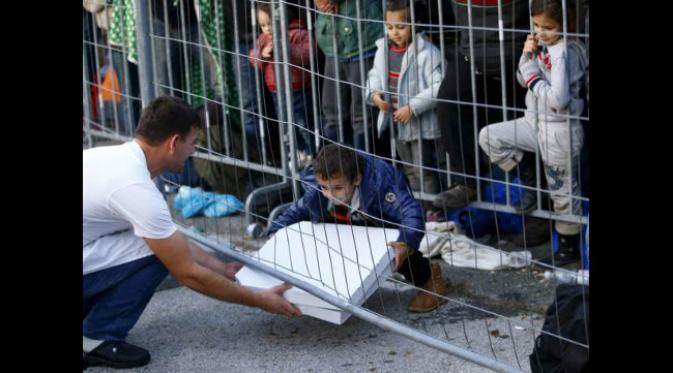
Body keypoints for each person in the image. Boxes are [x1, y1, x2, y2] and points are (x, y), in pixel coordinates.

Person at [83, 96, 301, 369]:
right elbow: (187, 272)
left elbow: (168, 235)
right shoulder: (134, 187)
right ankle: (97, 337)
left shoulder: (114, 159)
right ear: (174, 143)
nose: (194, 151)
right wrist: (260, 299)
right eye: (193, 143)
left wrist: (219, 267)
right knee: (156, 253)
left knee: (154, 243)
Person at [268, 144, 450, 313]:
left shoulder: (381, 184)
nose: (330, 195)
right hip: (344, 219)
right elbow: (297, 210)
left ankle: (430, 278)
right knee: (321, 236)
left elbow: (410, 211)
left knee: (396, 251)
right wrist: (275, 233)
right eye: (324, 187)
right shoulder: (318, 190)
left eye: (337, 188)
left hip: (378, 222)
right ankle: (338, 285)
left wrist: (405, 242)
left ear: (356, 179)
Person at [478, 0, 587, 266]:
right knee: (489, 136)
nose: (540, 32)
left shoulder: (564, 52)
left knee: (562, 193)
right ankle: (530, 180)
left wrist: (532, 76)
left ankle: (568, 247)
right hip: (533, 122)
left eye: (548, 27)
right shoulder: (543, 45)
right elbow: (522, 79)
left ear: (564, 24)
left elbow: (558, 99)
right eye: (536, 25)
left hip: (559, 131)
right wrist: (527, 57)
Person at [433, 0, 530, 210]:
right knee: (449, 102)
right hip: (472, 53)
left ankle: (537, 192)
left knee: (527, 123)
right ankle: (467, 181)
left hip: (521, 54)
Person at [365, 0, 445, 194]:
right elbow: (374, 75)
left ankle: (432, 209)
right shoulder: (383, 49)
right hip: (395, 121)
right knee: (408, 168)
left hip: (419, 124)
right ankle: (419, 208)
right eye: (390, 27)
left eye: (401, 27)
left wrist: (412, 107)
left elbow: (439, 86)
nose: (395, 32)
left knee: (424, 169)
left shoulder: (428, 52)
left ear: (415, 24)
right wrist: (375, 95)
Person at [249, 2, 315, 168]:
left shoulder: (297, 33)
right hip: (277, 91)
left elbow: (309, 54)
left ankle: (312, 154)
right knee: (285, 124)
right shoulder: (263, 39)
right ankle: (295, 155)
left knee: (302, 124)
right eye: (263, 25)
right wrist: (262, 54)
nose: (267, 29)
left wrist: (287, 50)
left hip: (298, 89)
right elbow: (253, 58)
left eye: (270, 23)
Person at [315, 0, 383, 150]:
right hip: (331, 40)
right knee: (333, 112)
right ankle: (338, 167)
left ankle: (363, 167)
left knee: (363, 114)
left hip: (363, 36)